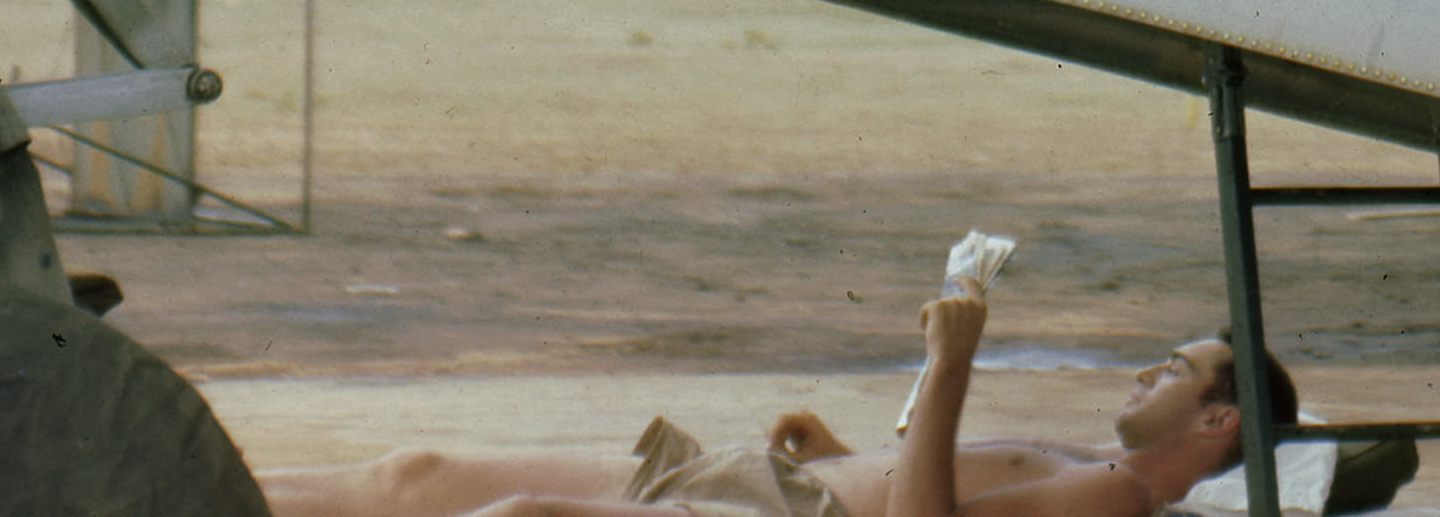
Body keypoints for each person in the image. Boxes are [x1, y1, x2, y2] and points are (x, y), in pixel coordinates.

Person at [262, 296, 1302, 517]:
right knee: (418, 476)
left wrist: (948, 367)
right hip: (780, 485)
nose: (1141, 375)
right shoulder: (1092, 462)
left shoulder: (1116, 504)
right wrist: (849, 450)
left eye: (1172, 369)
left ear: (1218, 422)